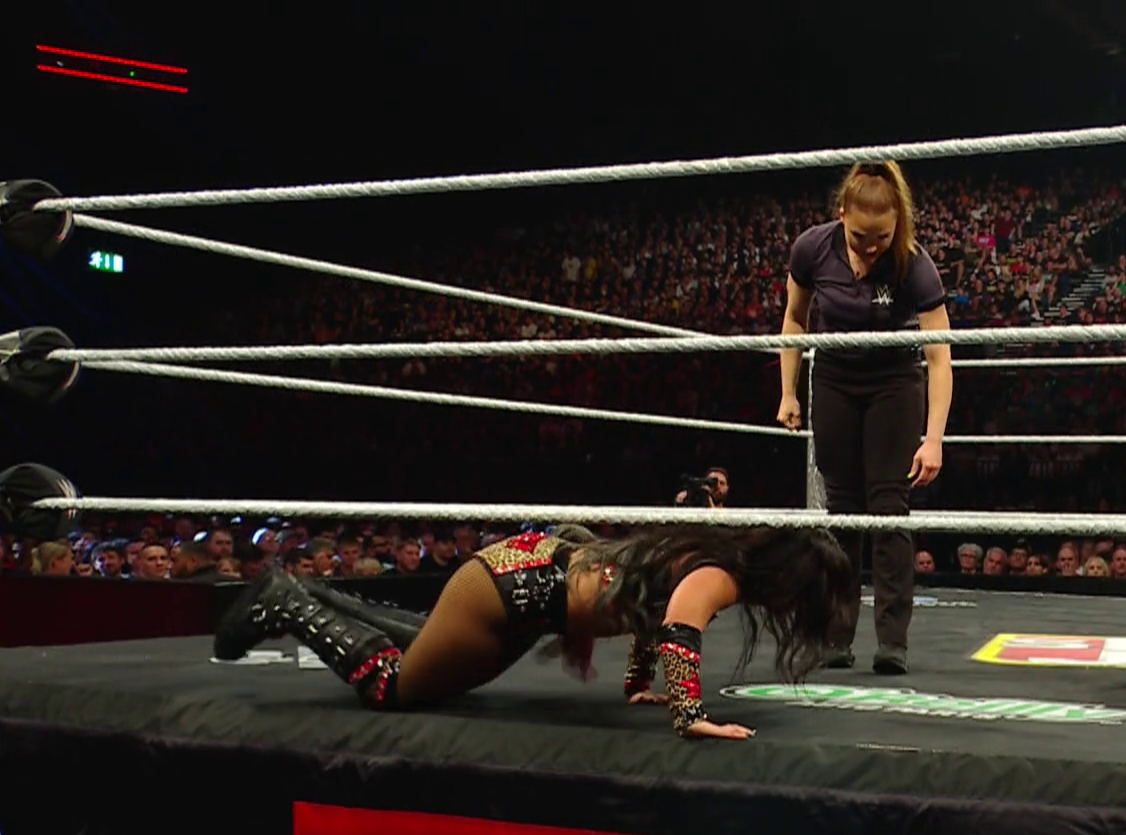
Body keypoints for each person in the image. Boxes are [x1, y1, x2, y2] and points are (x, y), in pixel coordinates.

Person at [213, 525, 858, 740]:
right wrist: (691, 718)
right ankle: (286, 603)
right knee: (395, 688)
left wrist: (636, 684)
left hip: (526, 587)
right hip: (510, 589)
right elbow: (678, 630)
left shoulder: (710, 556)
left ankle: (313, 596)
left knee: (428, 656)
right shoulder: (719, 575)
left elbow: (648, 612)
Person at [776, 161, 953, 676]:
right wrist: (788, 392)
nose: (872, 247)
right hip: (834, 377)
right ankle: (836, 635)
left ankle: (892, 643)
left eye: (882, 237)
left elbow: (940, 356)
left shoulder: (914, 263)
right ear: (841, 215)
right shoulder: (813, 248)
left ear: (899, 223)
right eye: (860, 237)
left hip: (894, 382)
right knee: (842, 508)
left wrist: (934, 438)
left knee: (889, 507)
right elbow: (794, 317)